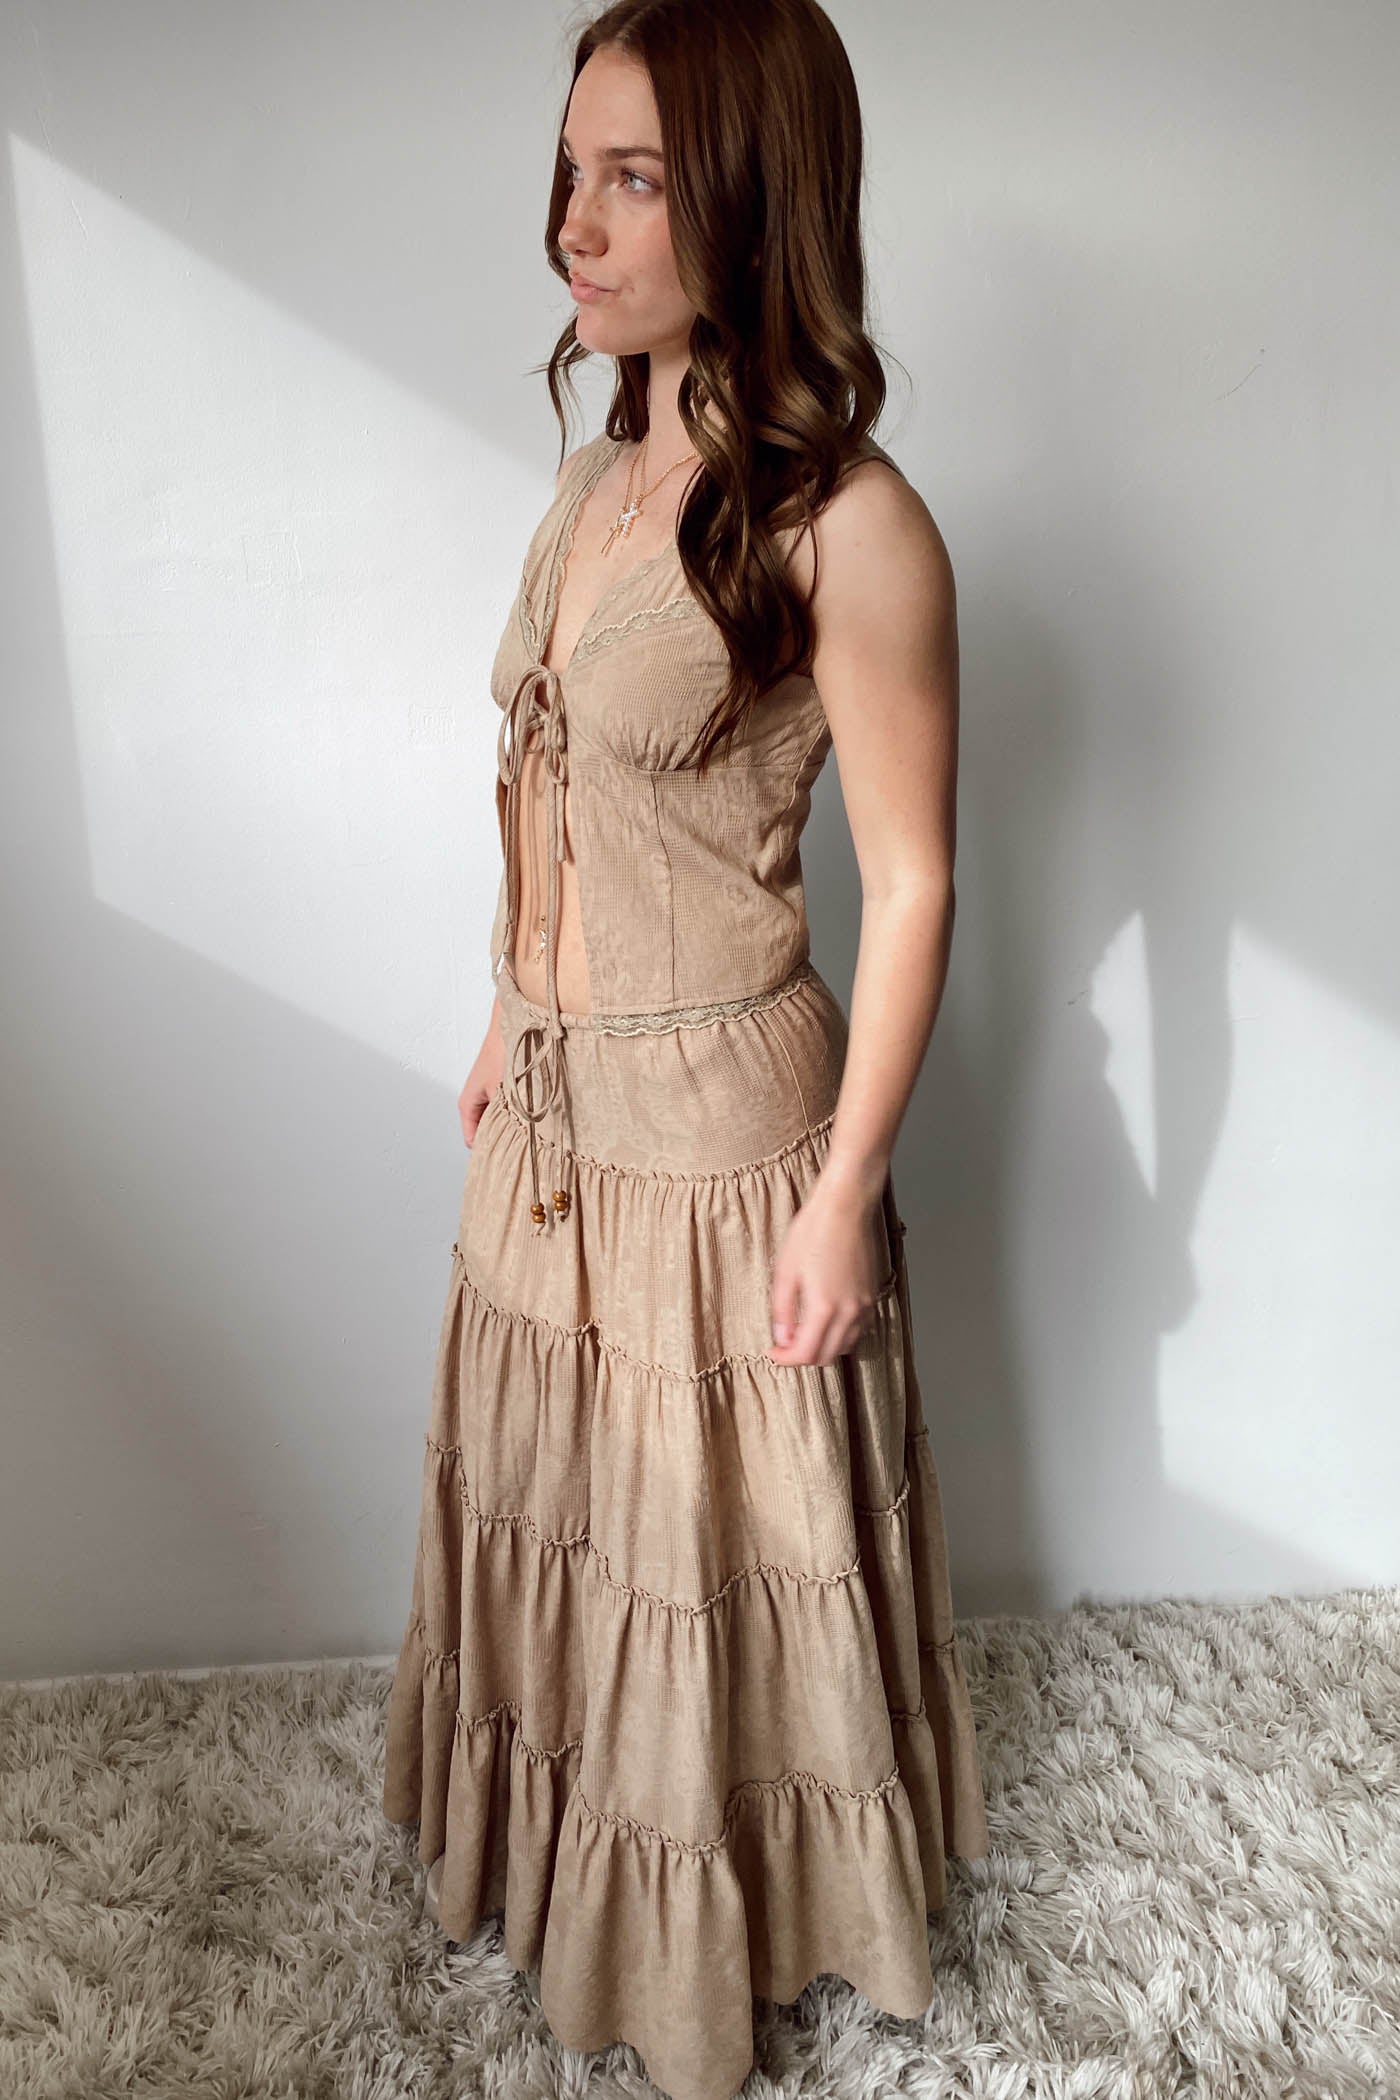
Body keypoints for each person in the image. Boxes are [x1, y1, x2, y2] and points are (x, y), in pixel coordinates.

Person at [382, 3, 990, 2095]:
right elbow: (554, 782)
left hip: (727, 1143)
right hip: (548, 1112)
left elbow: (909, 884)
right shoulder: (586, 483)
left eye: (634, 176)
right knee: (564, 1527)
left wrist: (839, 1197)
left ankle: (738, 1941)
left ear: (751, 195)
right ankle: (558, 1877)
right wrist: (500, 1005)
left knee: (698, 1573)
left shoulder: (851, 522)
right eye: (572, 167)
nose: (578, 220)